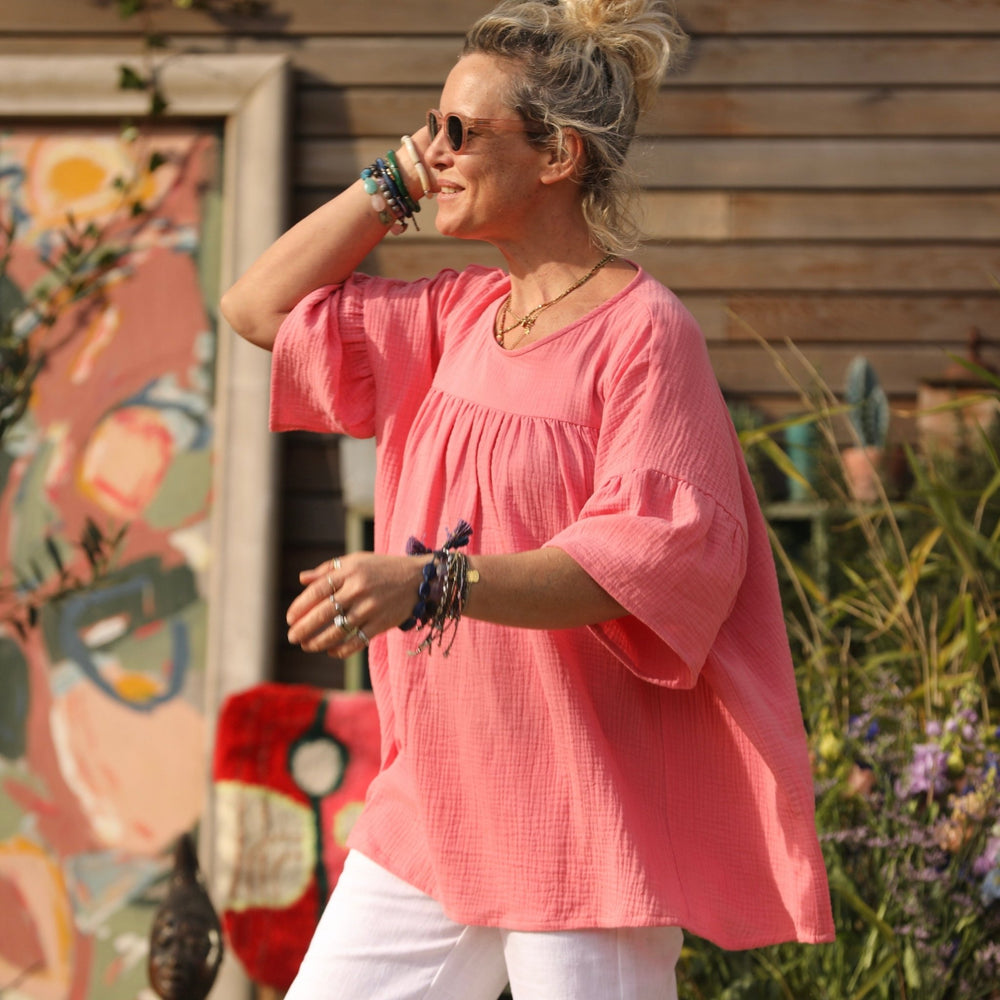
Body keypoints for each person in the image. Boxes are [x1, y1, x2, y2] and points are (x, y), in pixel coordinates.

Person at [220, 0, 835, 996]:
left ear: (557, 155)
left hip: (581, 813)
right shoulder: (456, 317)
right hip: (435, 800)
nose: (438, 151)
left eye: (461, 131)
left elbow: (644, 564)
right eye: (432, 127)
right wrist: (396, 179)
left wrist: (432, 582)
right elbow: (257, 307)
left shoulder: (644, 336)